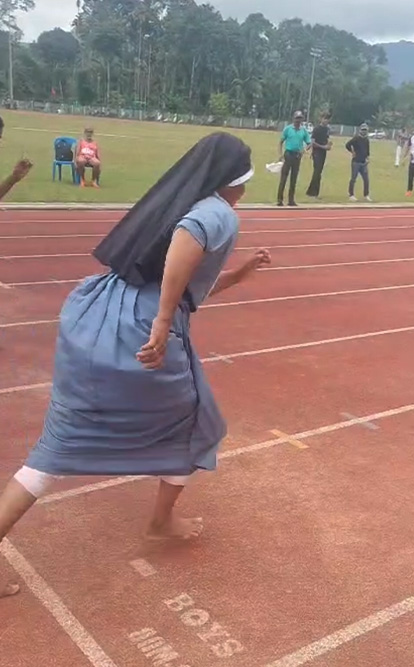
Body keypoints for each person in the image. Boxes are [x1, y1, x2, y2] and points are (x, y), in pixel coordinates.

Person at [0, 132, 271, 600]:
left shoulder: (173, 202)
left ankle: (157, 516)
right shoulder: (217, 212)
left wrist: (241, 274)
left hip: (94, 313)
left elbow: (183, 282)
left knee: (57, 445)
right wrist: (164, 321)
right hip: (139, 329)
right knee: (199, 427)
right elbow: (185, 251)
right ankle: (162, 521)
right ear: (234, 182)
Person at [276, 110, 310, 206]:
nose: (298, 121)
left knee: (294, 178)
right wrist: (280, 154)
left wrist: (303, 150)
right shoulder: (288, 129)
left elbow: (309, 143)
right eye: (297, 118)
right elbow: (281, 141)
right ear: (293, 118)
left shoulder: (303, 131)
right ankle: (279, 199)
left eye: (300, 118)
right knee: (284, 177)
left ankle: (291, 200)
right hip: (288, 154)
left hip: (297, 155)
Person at [305, 112, 332, 198]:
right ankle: (312, 192)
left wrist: (329, 144)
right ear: (321, 119)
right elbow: (313, 142)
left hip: (323, 153)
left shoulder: (327, 129)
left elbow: (327, 139)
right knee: (317, 172)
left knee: (319, 172)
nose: (326, 120)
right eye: (324, 118)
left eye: (327, 119)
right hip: (317, 153)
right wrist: (324, 147)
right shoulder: (316, 129)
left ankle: (314, 192)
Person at [345, 123, 372, 202]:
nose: (364, 132)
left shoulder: (366, 140)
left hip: (363, 162)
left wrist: (367, 158)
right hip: (356, 162)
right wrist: (352, 152)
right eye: (363, 130)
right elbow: (347, 145)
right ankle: (351, 194)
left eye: (365, 130)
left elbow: (367, 150)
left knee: (366, 179)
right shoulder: (356, 138)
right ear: (360, 130)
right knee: (353, 178)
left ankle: (366, 195)